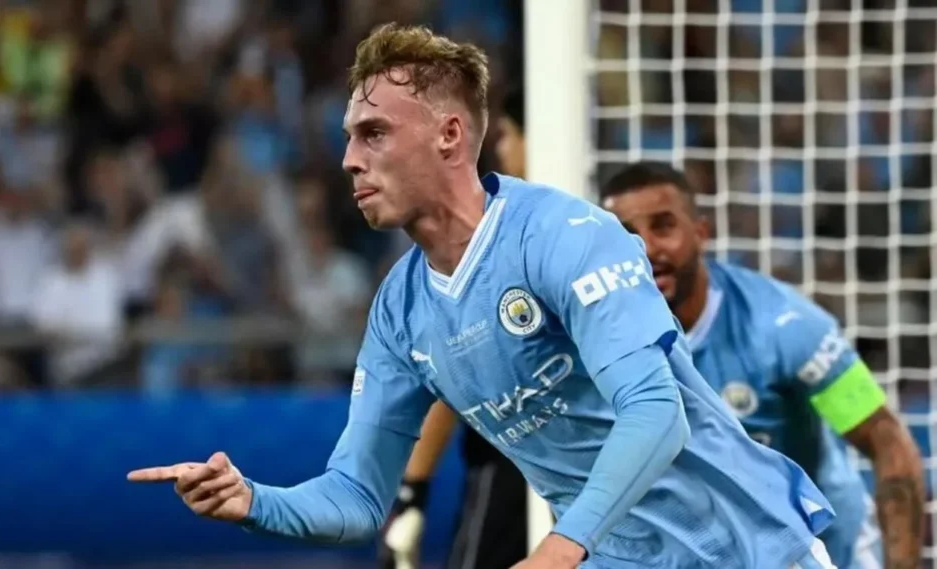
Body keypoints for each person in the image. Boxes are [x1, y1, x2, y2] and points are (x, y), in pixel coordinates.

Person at [127, 24, 839, 568]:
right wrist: (255, 500)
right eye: (349, 137)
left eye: (374, 133)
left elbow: (656, 414)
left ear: (449, 134)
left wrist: (561, 547)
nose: (349, 157)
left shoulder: (566, 235)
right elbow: (356, 495)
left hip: (751, 548)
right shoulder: (399, 311)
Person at [597, 162, 924, 569]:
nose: (645, 249)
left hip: (823, 548)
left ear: (701, 232)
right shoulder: (599, 343)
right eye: (627, 235)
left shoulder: (783, 325)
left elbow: (886, 438)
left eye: (663, 227)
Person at [377, 86, 531, 569]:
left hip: (512, 460)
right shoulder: (594, 227)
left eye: (506, 134)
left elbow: (457, 366)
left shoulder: (493, 234)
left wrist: (411, 490)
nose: (500, 149)